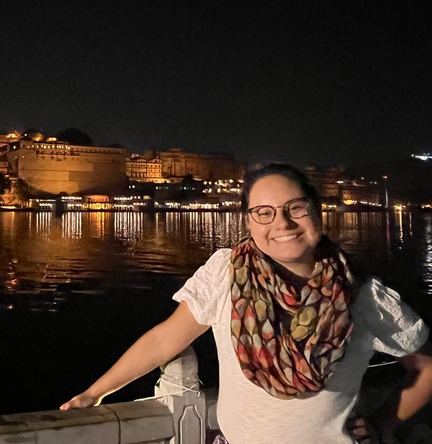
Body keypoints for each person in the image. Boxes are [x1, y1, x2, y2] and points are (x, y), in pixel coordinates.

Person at [61, 164, 432, 444]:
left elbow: (427, 368)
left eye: (295, 208)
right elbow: (165, 340)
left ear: (318, 212)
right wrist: (94, 393)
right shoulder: (227, 273)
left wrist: (383, 425)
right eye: (264, 212)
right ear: (250, 221)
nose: (281, 223)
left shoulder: (363, 295)